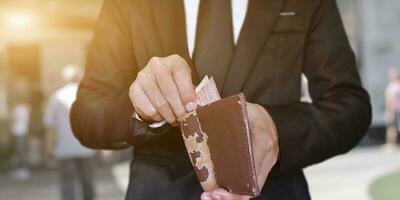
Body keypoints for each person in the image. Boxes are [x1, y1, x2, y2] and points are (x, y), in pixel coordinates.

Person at [70, 0, 372, 200]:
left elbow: (349, 104)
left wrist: (277, 129)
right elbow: (86, 114)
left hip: (273, 191)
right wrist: (139, 109)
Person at [44, 65, 96, 200]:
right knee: (87, 182)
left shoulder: (56, 97)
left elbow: (50, 125)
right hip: (86, 147)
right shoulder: (86, 95)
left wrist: (49, 147)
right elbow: (94, 122)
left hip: (64, 148)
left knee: (67, 183)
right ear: (79, 77)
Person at [10, 96, 31, 181]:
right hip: (24, 132)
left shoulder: (18, 109)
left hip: (18, 132)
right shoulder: (26, 108)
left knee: (19, 151)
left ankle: (22, 170)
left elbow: (14, 119)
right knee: (23, 151)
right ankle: (23, 169)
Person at [384, 68, 400, 151]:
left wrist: (389, 110)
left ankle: (391, 144)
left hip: (394, 109)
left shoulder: (393, 86)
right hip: (396, 109)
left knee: (391, 127)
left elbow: (391, 99)